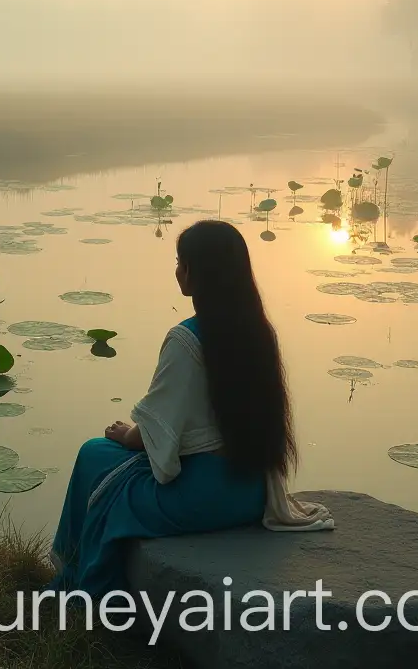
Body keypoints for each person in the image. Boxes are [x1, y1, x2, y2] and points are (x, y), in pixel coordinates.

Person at [49, 219, 333, 598]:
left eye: (183, 262)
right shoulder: (260, 332)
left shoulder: (185, 340)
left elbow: (155, 436)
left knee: (94, 455)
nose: (178, 270)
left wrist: (124, 434)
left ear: (202, 274)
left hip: (204, 497)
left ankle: (75, 580)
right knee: (107, 462)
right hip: (253, 492)